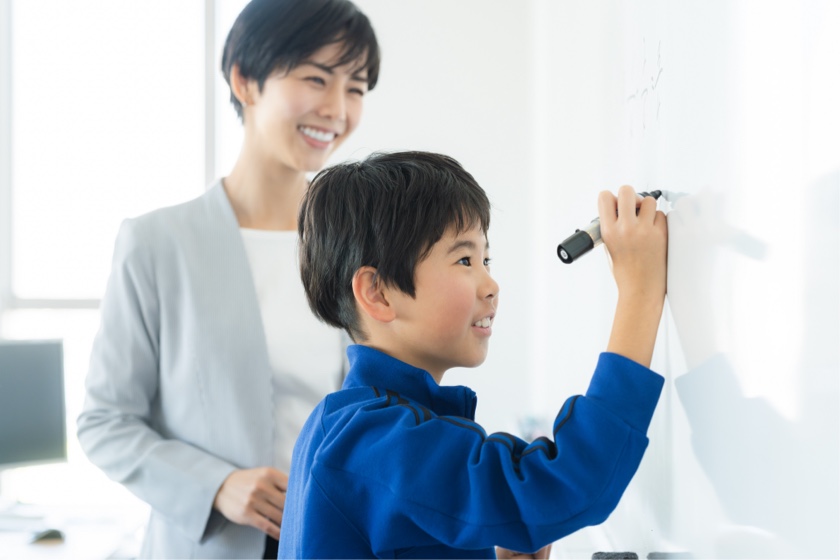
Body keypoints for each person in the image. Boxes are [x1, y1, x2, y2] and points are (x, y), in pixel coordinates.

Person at [76, 1, 380, 558]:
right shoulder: (158, 243)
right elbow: (106, 420)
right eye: (316, 78)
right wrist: (216, 484)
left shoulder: (366, 245)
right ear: (244, 79)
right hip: (213, 543)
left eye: (357, 87)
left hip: (338, 540)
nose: (337, 109)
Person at [277, 151, 669, 558]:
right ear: (377, 293)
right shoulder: (372, 442)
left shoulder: (342, 425)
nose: (491, 283)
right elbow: (568, 484)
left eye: (486, 259)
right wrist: (640, 294)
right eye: (465, 259)